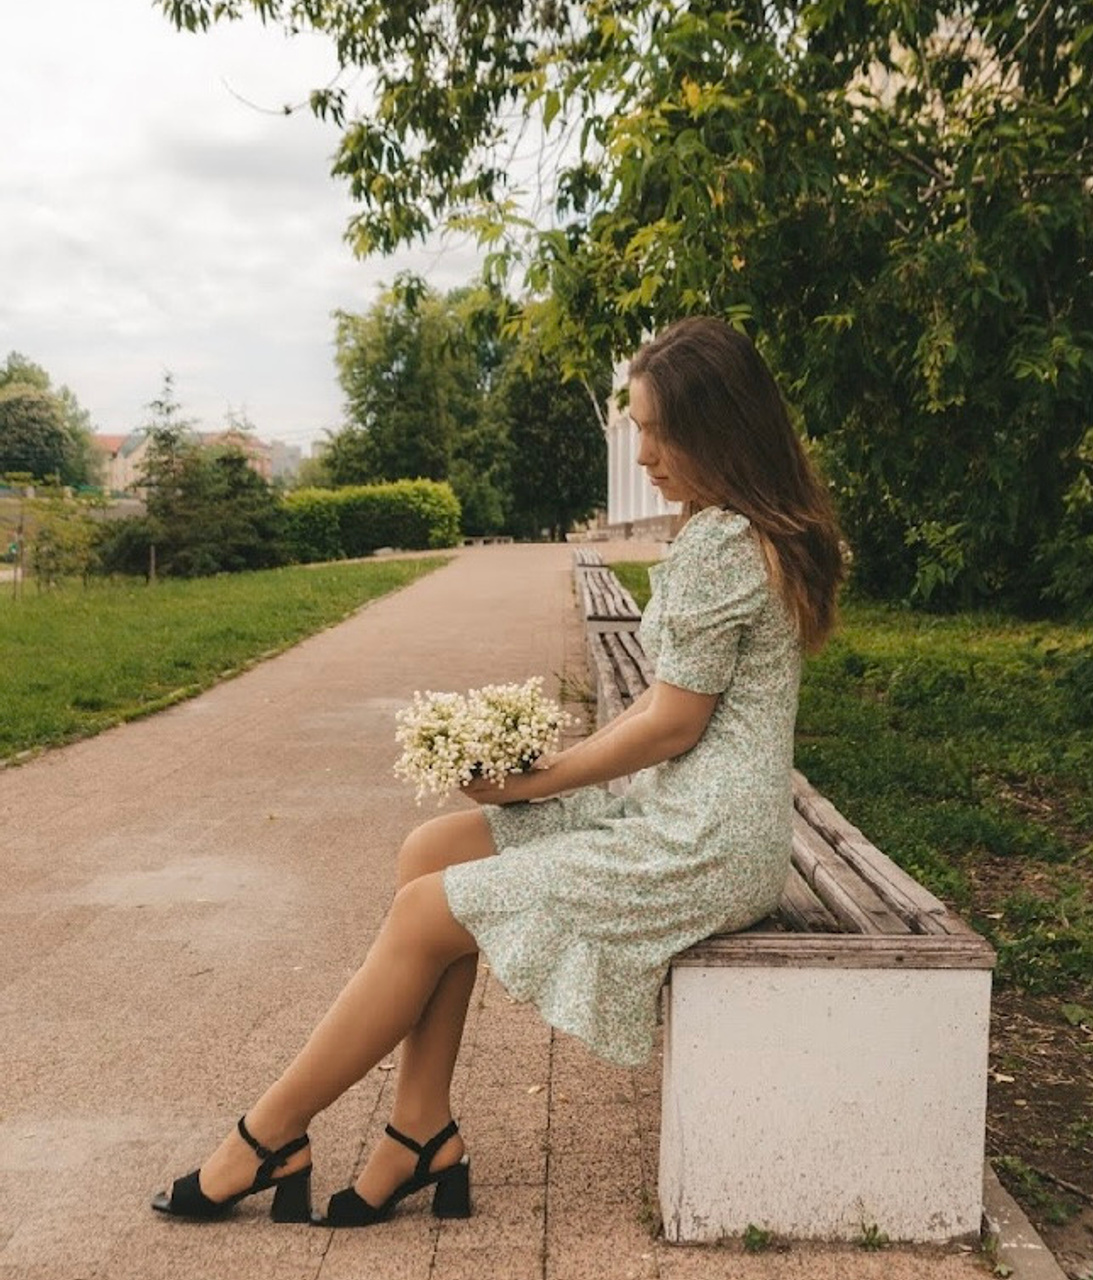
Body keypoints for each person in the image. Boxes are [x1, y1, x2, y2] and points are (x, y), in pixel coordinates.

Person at [150, 315, 845, 1228]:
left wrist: (533, 785)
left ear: (717, 427)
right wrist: (543, 759)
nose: (644, 454)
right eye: (637, 426)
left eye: (657, 430)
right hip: (687, 813)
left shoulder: (724, 544)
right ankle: (420, 1126)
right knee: (431, 853)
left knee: (424, 912)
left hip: (702, 842)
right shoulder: (735, 530)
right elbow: (667, 709)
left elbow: (674, 725)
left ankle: (270, 1132)